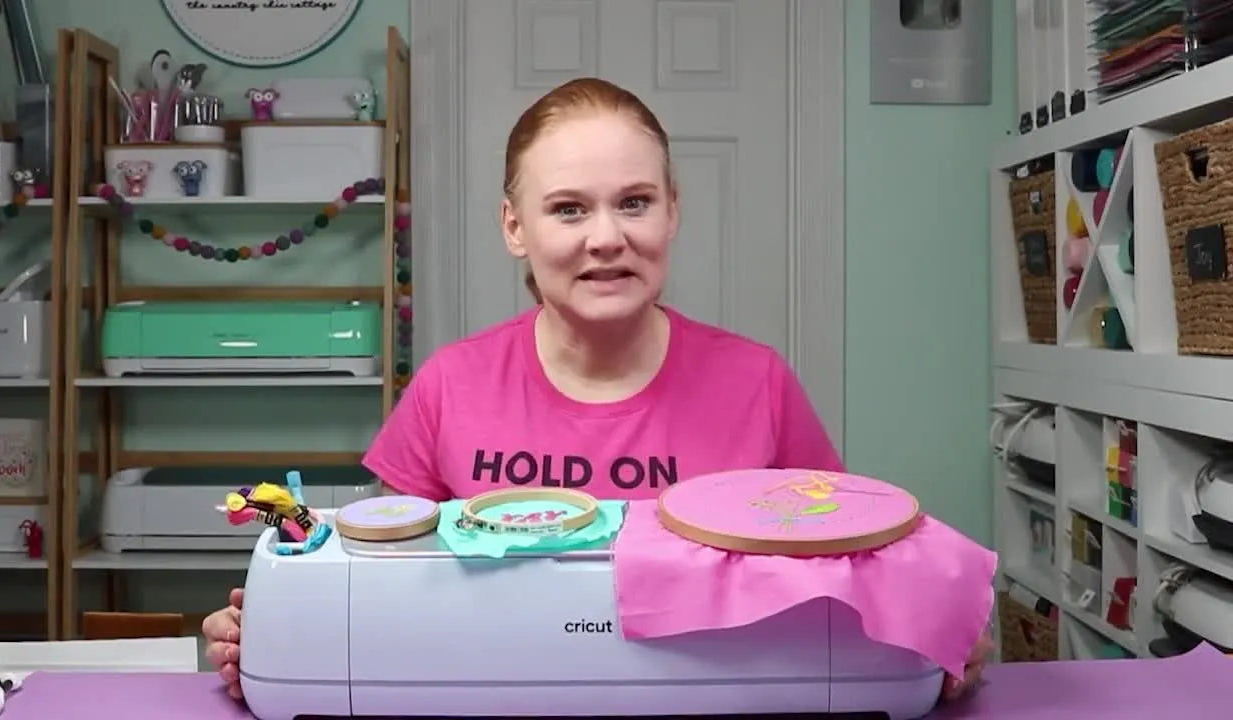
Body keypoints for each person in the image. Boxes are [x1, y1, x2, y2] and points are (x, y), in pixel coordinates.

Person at [202, 77, 990, 704]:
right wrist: (272, 633)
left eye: (635, 202)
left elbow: (844, 577)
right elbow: (371, 592)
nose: (606, 237)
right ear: (515, 227)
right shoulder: (449, 386)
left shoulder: (759, 383)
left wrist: (935, 631)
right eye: (568, 209)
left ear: (673, 211)